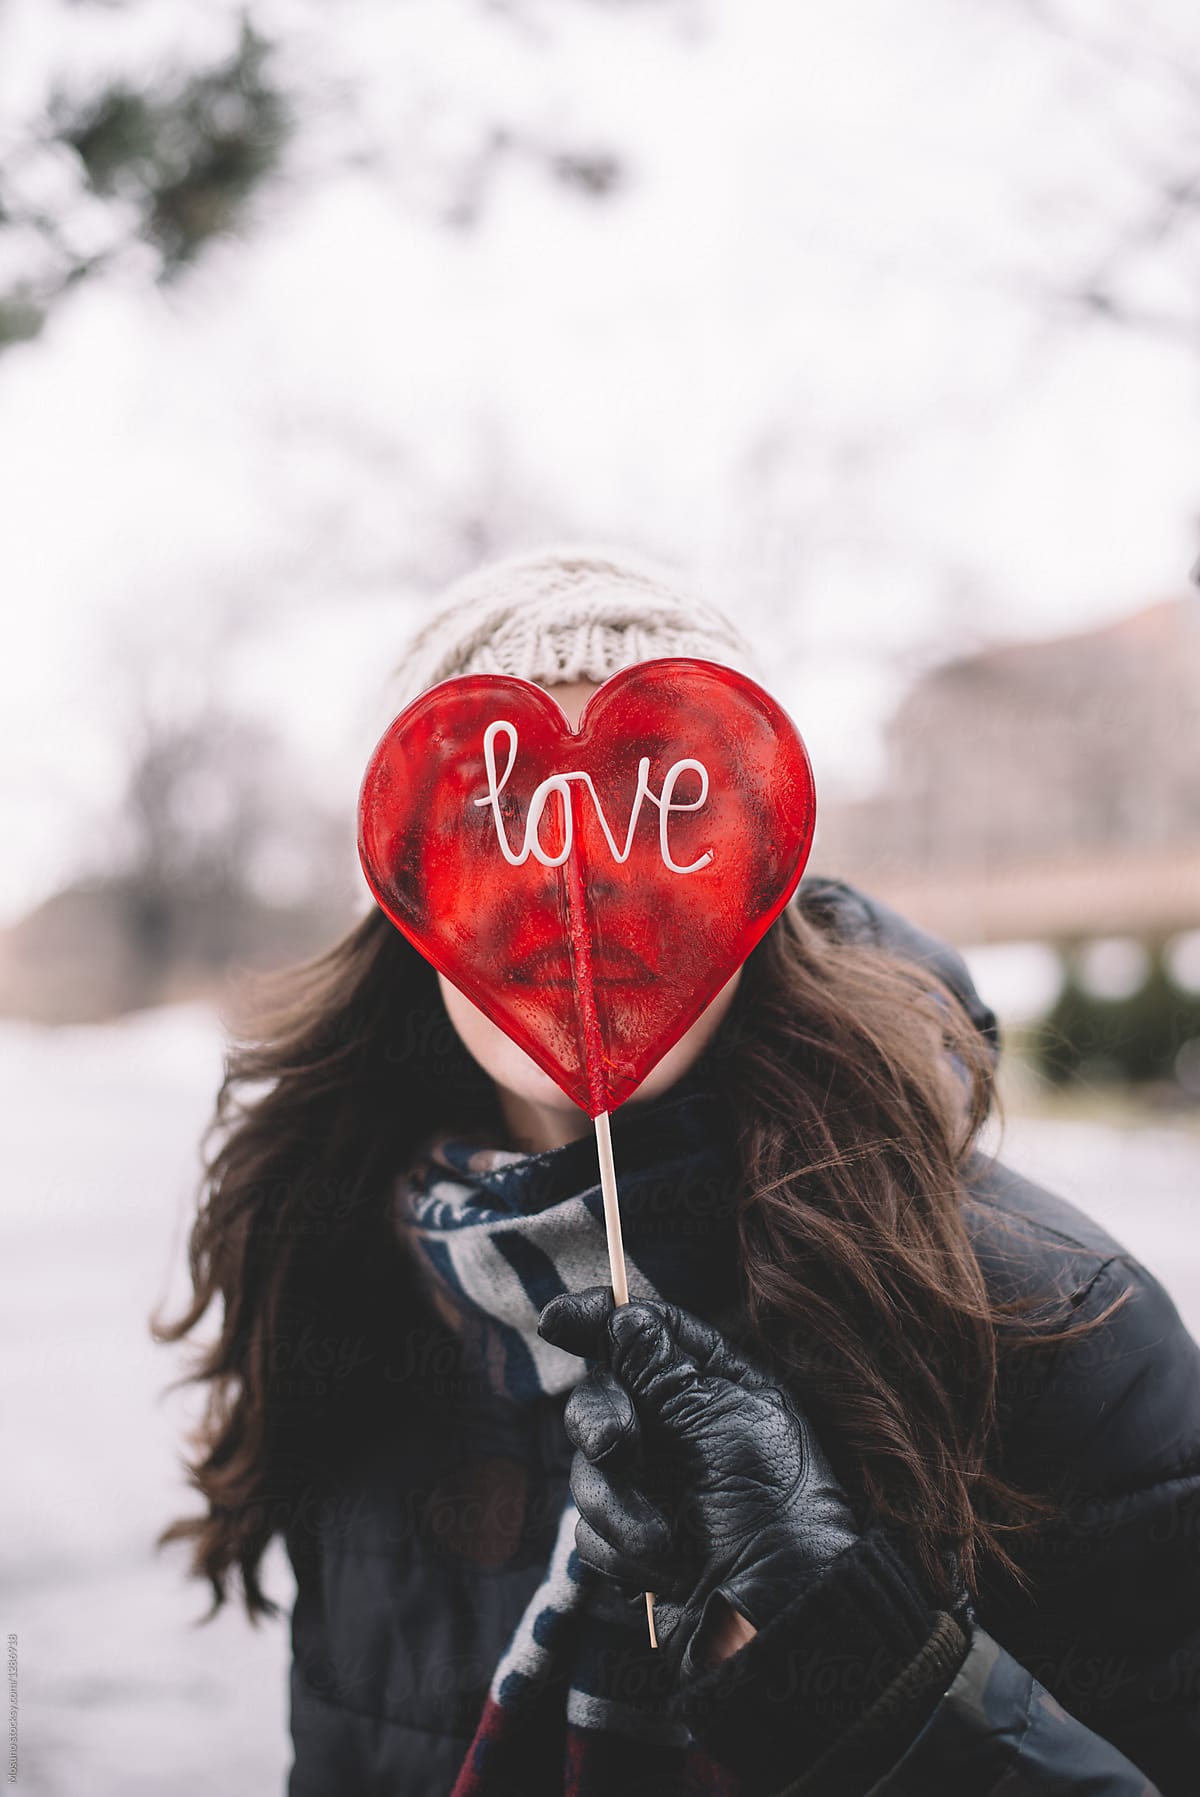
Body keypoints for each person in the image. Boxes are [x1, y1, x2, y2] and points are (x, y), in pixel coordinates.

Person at [153, 546, 1200, 1797]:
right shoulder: (353, 1295)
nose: (584, 879)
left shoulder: (1054, 1326)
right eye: (501, 809)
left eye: (669, 799)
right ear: (406, 892)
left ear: (765, 874)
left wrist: (860, 1662)